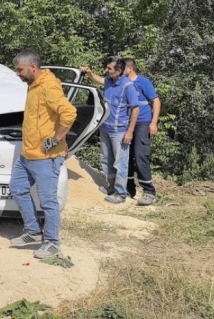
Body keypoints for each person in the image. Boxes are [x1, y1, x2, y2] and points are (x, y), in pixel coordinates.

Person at [9, 51, 76, 259]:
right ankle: (32, 231)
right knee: (17, 188)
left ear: (33, 68)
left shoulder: (49, 86)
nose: (17, 73)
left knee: (48, 201)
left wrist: (56, 139)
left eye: (20, 69)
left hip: (46, 158)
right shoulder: (33, 85)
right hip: (27, 154)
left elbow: (69, 113)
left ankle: (53, 243)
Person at [81, 56, 140, 204]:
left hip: (120, 131)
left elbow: (135, 109)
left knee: (120, 163)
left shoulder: (128, 86)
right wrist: (89, 73)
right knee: (107, 160)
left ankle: (121, 193)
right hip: (106, 128)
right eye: (107, 68)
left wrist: (130, 131)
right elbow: (99, 80)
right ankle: (112, 187)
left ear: (119, 70)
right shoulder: (108, 81)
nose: (107, 71)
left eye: (110, 68)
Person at [123, 58, 160, 206]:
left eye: (122, 68)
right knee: (127, 157)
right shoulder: (123, 83)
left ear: (130, 68)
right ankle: (128, 189)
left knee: (140, 156)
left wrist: (153, 122)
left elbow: (156, 101)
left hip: (143, 123)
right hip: (126, 124)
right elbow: (103, 81)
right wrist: (90, 74)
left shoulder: (143, 82)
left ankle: (149, 191)